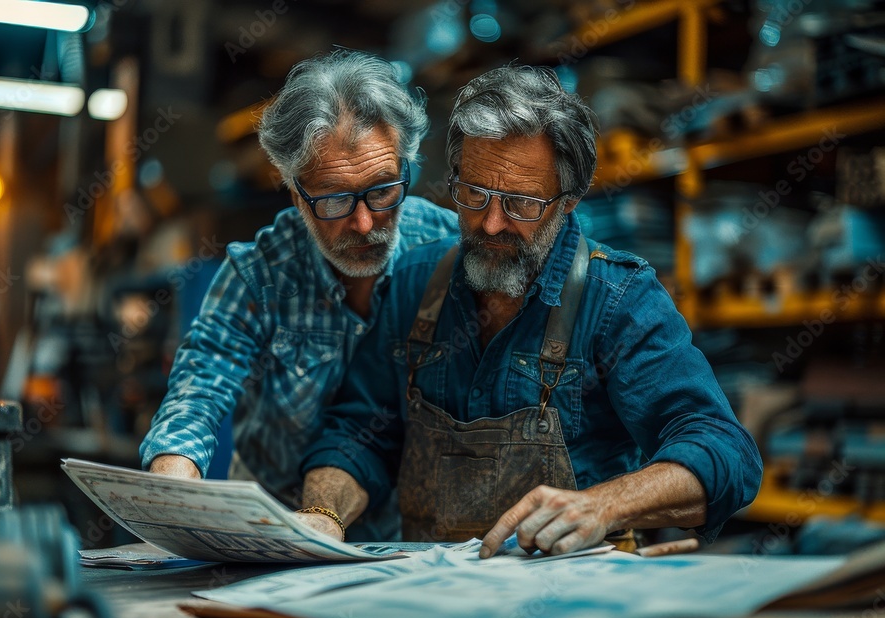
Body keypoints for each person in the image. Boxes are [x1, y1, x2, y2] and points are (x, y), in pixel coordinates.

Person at [297, 64, 763, 555]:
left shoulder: (618, 299)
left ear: (569, 200)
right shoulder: (414, 284)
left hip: (570, 605)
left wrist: (605, 505)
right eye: (474, 194)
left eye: (521, 203)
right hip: (431, 601)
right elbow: (357, 433)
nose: (492, 224)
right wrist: (323, 514)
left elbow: (725, 451)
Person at [138, 50, 459, 540]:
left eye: (382, 190)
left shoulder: (447, 252)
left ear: (406, 167)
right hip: (278, 535)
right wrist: (175, 498)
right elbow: (197, 394)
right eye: (334, 199)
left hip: (414, 539)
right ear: (294, 192)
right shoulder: (257, 275)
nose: (365, 222)